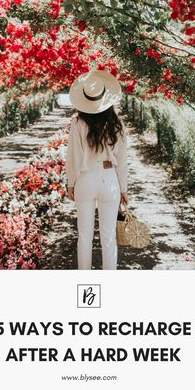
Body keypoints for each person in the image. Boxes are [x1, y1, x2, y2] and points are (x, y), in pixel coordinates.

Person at [66, 70, 128, 270]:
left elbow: (73, 157)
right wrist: (124, 188)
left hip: (85, 179)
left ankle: (85, 280)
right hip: (109, 180)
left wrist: (71, 183)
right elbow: (122, 160)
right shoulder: (116, 125)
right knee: (108, 237)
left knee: (84, 236)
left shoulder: (77, 123)